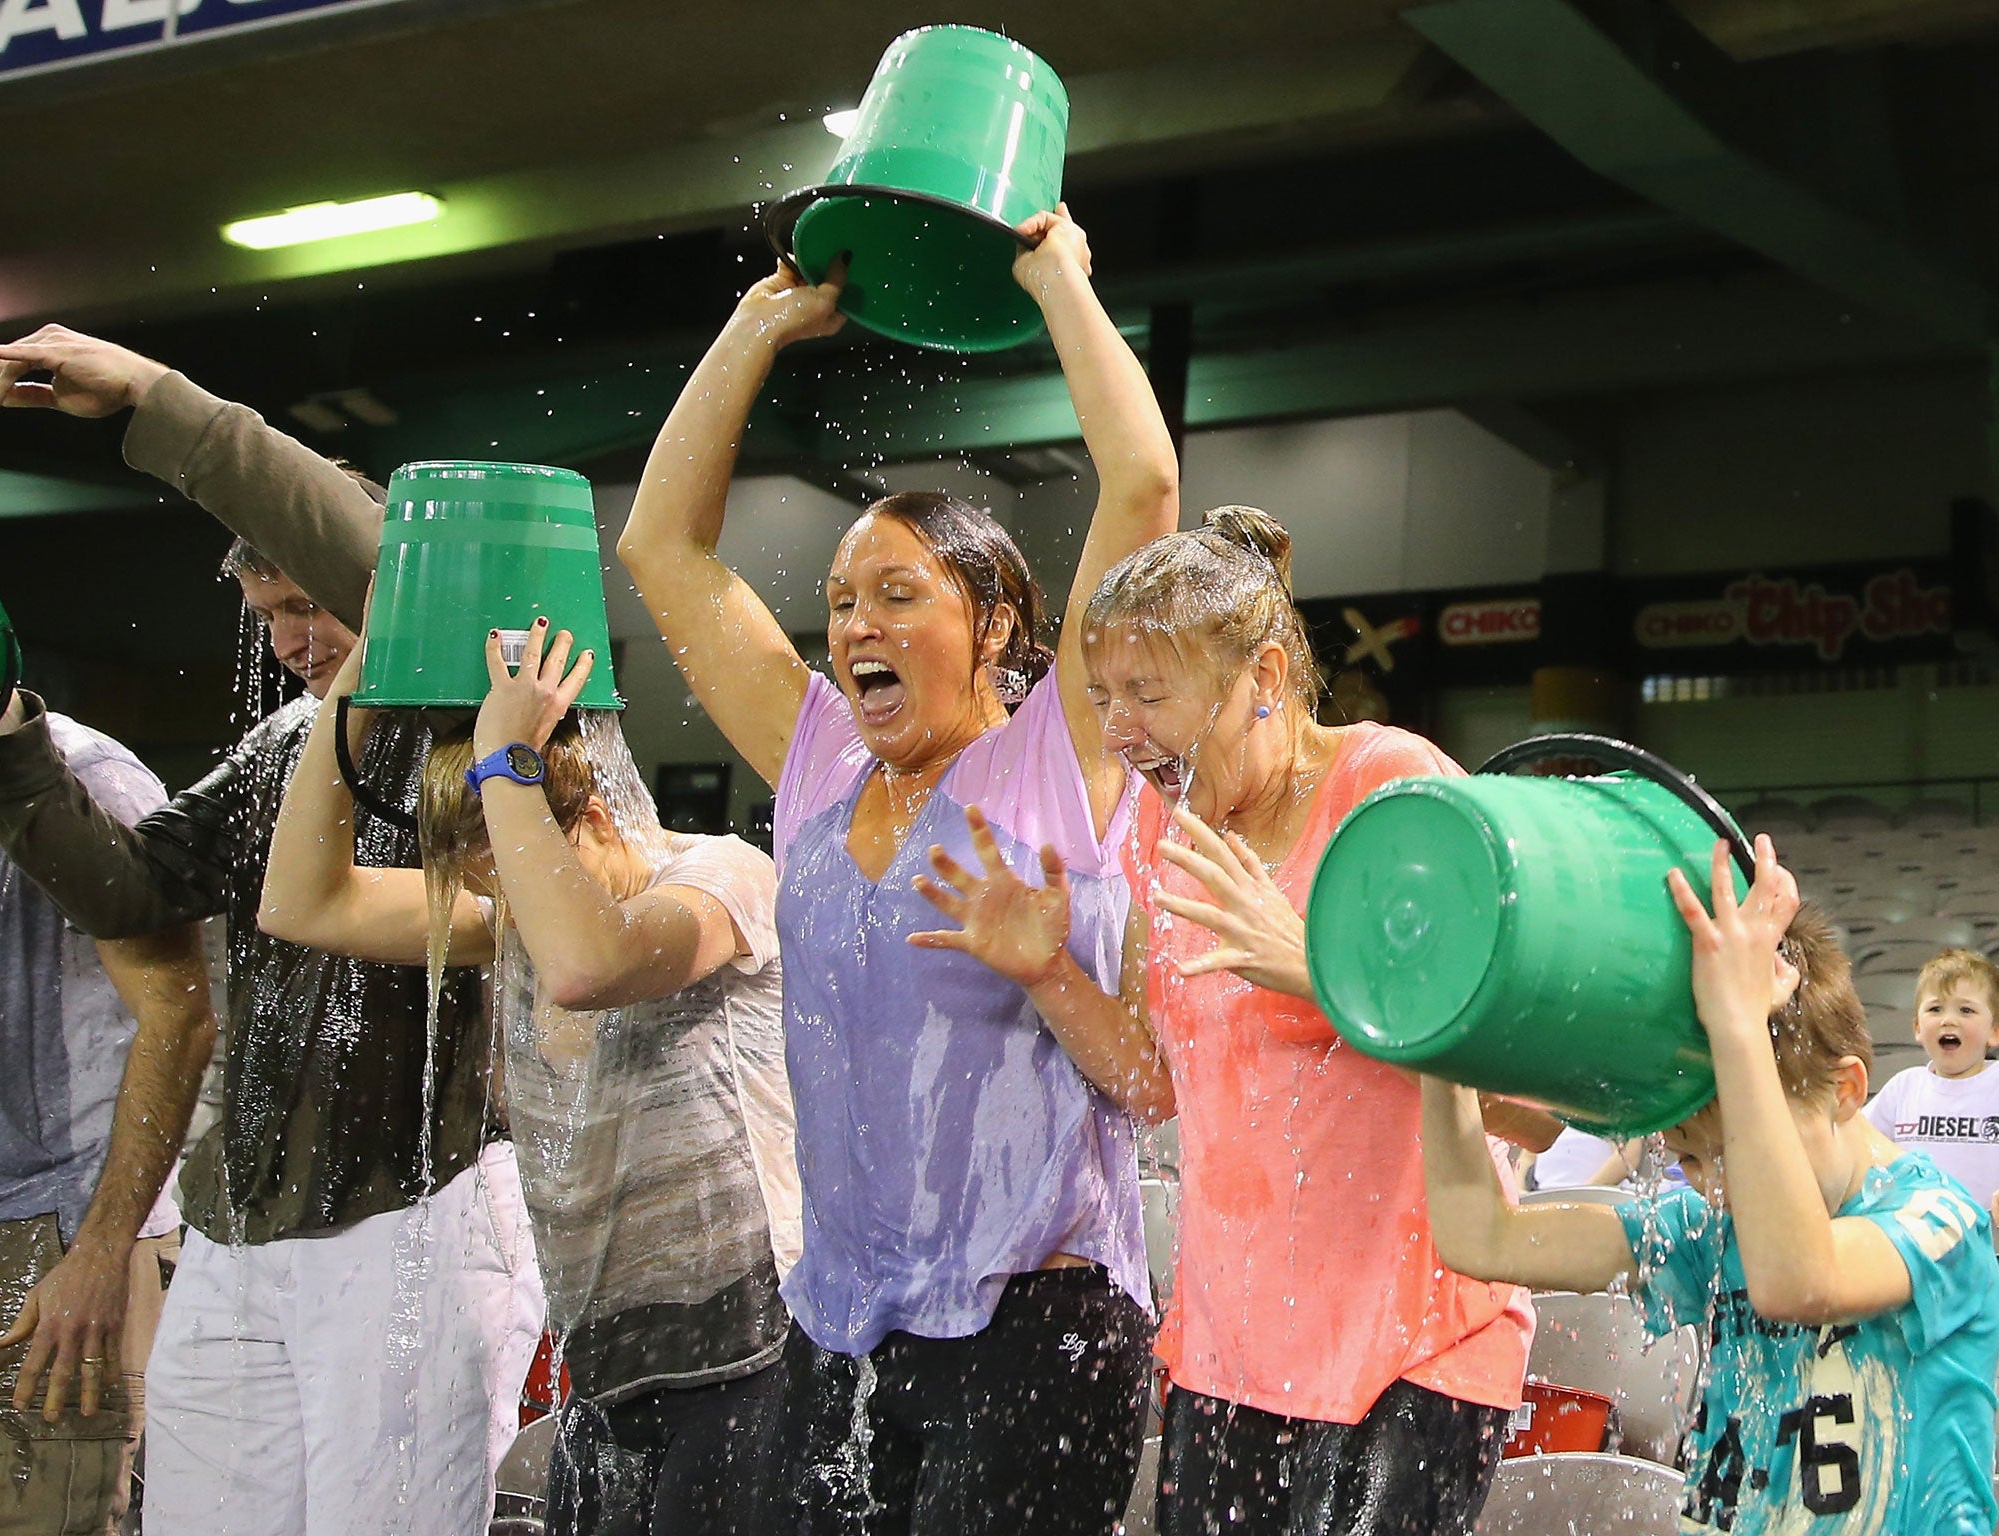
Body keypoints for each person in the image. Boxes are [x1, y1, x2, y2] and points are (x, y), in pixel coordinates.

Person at [617, 206, 1181, 1534]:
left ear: (996, 625)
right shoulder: (816, 754)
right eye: (841, 602)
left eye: (899, 594)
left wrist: (1058, 286)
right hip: (846, 1319)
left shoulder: (1062, 751)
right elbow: (661, 550)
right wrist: (757, 323)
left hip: (1036, 1323)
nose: (856, 623)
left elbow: (1144, 489)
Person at [0, 330, 543, 1536]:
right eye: (265, 613)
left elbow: (394, 575)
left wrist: (165, 406)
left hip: (416, 1213)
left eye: (308, 601)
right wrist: (1, 728)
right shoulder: (282, 747)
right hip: (242, 1225)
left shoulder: (471, 732)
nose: (291, 640)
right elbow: (130, 895)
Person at [920, 508, 1534, 1535]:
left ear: (1265, 679)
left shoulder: (1390, 789)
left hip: (1415, 1348)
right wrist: (1043, 973)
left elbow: (1532, 1096)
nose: (1118, 729)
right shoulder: (1156, 830)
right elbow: (1156, 1082)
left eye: (1147, 695)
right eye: (1105, 696)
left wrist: (1323, 978)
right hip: (1229, 1352)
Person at [260, 618, 801, 1536]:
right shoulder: (514, 918)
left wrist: (505, 758)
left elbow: (590, 965)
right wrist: (362, 669)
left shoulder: (724, 879)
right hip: (607, 1371)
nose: (508, 900)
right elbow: (300, 901)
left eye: (513, 867)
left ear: (591, 817)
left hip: (752, 1362)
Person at [1421, 839, 1999, 1534]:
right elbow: (1479, 1236)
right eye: (1692, 1161)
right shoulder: (1703, 1229)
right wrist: (1439, 1050)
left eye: (1741, 1151)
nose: (1720, 1189)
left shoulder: (1939, 1221)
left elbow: (1799, 1279)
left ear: (1846, 1091)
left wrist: (1738, 1025)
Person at [0, 686, 213, 1536]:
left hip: (50, 1238)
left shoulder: (86, 780)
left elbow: (177, 1016)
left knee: (39, 1521)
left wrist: (102, 1253)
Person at [1863, 947, 1999, 1238]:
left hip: (1989, 1244)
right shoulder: (1903, 1087)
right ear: (1917, 1028)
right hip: (1917, 1244)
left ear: (1994, 1032)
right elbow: (1856, 1145)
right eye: (1935, 1009)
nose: (1948, 1020)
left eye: (1966, 1010)